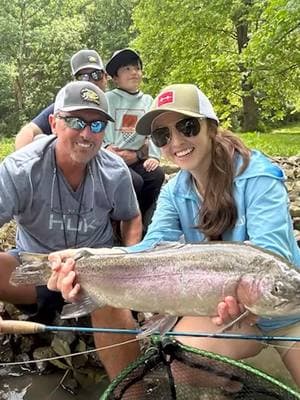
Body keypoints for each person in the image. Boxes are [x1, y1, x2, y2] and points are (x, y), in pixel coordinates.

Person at [47, 83, 300, 387]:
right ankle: (233, 382)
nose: (176, 141)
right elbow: (150, 252)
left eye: (187, 126)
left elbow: (272, 257)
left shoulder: (257, 175)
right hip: (227, 317)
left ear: (211, 127)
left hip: (288, 315)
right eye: (162, 135)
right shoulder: (173, 192)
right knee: (179, 362)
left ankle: (253, 370)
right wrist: (86, 259)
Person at [0, 80, 142, 379]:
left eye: (98, 125)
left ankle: (131, 386)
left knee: (114, 314)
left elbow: (131, 217)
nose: (87, 134)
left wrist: (129, 260)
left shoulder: (115, 171)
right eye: (76, 121)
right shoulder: (18, 169)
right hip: (35, 269)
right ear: (53, 123)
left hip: (97, 273)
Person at [104, 48, 165, 218]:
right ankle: (122, 220)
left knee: (156, 176)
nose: (134, 73)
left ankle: (143, 218)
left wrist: (153, 156)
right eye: (127, 69)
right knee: (133, 181)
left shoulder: (148, 101)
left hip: (136, 157)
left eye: (137, 68)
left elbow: (154, 129)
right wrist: (107, 147)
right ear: (115, 78)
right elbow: (102, 126)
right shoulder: (109, 99)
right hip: (112, 157)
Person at [15, 49, 108, 149]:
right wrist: (24, 161)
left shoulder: (118, 102)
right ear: (74, 81)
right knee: (39, 139)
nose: (90, 81)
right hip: (78, 158)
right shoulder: (66, 106)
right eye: (82, 77)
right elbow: (29, 131)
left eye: (96, 74)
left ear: (106, 77)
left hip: (112, 161)